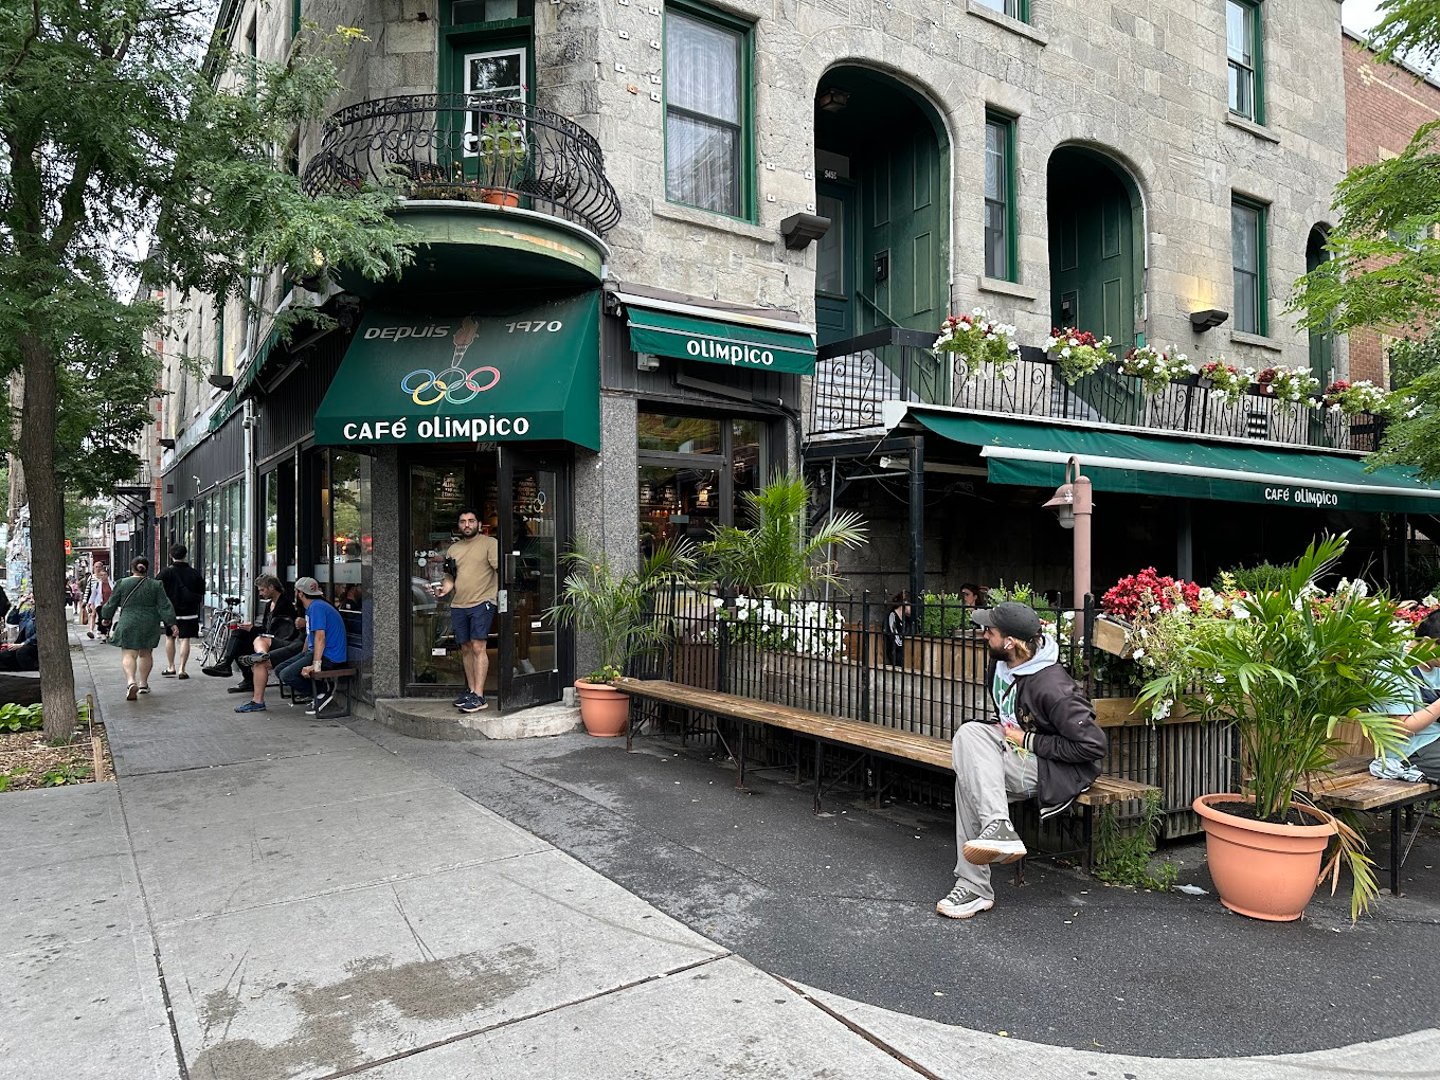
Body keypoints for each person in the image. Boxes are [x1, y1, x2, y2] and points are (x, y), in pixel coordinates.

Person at [936, 601, 1107, 921]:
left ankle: (974, 885)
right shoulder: (1000, 664)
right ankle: (996, 827)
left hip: (1053, 768)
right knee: (969, 736)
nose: (984, 635)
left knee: (969, 779)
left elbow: (1092, 747)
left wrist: (1027, 740)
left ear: (1011, 642)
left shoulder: (1053, 687)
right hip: (1017, 752)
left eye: (990, 631)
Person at [433, 508, 499, 713]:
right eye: (463, 521)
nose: (467, 525)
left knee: (479, 646)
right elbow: (451, 578)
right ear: (459, 525)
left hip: (483, 601)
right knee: (466, 648)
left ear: (479, 524)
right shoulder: (453, 549)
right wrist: (443, 590)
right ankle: (471, 690)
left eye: (471, 521)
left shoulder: (491, 544)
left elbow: (502, 569)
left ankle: (479, 696)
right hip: (459, 604)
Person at [99, 558, 176, 702]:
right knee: (145, 654)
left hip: (129, 620)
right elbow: (165, 605)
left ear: (132, 568)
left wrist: (106, 617)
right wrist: (172, 623)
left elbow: (112, 602)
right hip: (149, 622)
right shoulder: (156, 585)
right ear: (147, 569)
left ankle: (130, 681)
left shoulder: (122, 583)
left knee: (129, 654)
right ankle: (143, 684)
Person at [1378, 611, 1440, 781]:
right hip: (1410, 750)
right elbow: (1402, 728)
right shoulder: (1394, 669)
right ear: (1428, 643)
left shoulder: (1436, 667)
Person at [274, 576, 347, 714]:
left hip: (329, 656)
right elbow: (310, 635)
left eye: (296, 592)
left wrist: (316, 665)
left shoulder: (317, 607)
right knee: (280, 669)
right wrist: (302, 656)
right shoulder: (314, 606)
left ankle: (322, 691)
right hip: (317, 652)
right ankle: (318, 692)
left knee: (286, 675)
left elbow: (320, 637)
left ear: (300, 593)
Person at [232, 575, 299, 713]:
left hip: (284, 641)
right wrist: (252, 628)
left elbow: (279, 631)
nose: (260, 593)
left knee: (259, 651)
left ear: (271, 588)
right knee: (238, 636)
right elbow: (266, 628)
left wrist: (254, 630)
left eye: (262, 590)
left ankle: (260, 655)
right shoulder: (269, 604)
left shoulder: (285, 604)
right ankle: (228, 665)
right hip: (271, 639)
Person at [157, 544, 205, 679]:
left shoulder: (165, 572)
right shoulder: (194, 572)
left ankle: (171, 666)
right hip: (190, 611)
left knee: (170, 638)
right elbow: (201, 591)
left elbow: (156, 589)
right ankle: (182, 669)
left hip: (171, 612)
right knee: (185, 640)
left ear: (171, 556)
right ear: (185, 555)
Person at [884, 593, 911, 667]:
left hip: (905, 651)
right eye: (910, 605)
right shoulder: (892, 616)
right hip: (895, 652)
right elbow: (895, 639)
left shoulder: (906, 619)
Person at [86, 565, 112, 640]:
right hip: (100, 604)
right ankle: (103, 633)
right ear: (100, 577)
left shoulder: (112, 584)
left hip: (110, 604)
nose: (103, 577)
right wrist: (89, 603)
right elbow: (93, 595)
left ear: (107, 575)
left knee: (109, 619)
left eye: (105, 575)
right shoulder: (97, 585)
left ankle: (107, 632)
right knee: (102, 618)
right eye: (101, 575)